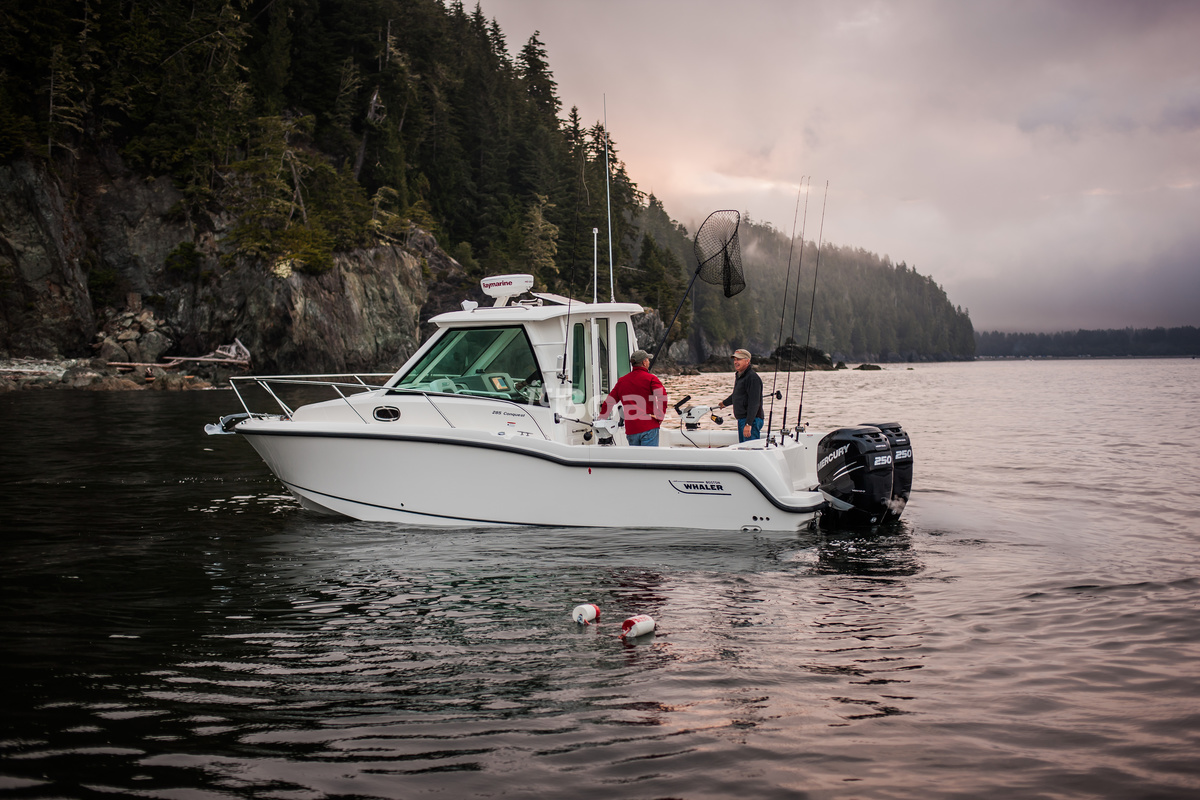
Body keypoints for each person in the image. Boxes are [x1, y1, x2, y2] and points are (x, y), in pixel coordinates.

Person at [598, 349, 668, 446]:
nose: (649, 362)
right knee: (649, 456)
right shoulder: (651, 379)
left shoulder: (622, 381)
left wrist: (601, 420)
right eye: (648, 360)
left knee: (635, 456)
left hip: (631, 430)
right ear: (644, 362)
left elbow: (608, 402)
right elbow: (662, 396)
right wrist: (660, 416)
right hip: (649, 427)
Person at [716, 348, 763, 442]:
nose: (736, 362)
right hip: (742, 420)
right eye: (735, 359)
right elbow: (737, 395)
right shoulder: (740, 375)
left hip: (751, 420)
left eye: (739, 359)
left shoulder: (752, 378)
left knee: (750, 448)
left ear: (747, 361)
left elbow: (754, 403)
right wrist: (724, 403)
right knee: (743, 448)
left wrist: (748, 424)